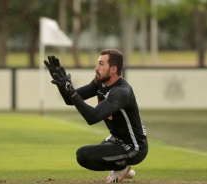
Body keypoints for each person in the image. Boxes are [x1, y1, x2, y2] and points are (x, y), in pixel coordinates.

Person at [44, 49, 148, 183]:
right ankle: (121, 167)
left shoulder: (121, 92)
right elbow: (71, 99)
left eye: (101, 64)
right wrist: (62, 84)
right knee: (89, 155)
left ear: (113, 69)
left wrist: (70, 90)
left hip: (134, 147)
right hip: (116, 139)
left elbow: (93, 117)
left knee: (84, 155)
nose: (96, 68)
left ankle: (122, 167)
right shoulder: (100, 83)